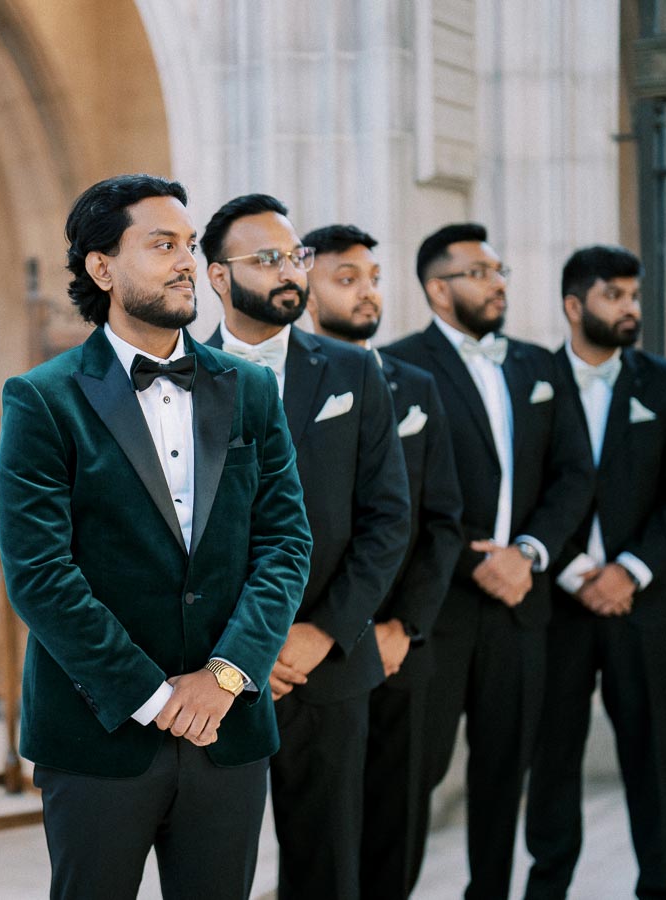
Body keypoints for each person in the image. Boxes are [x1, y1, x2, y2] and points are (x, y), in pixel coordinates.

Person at [0, 174, 312, 899]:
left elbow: (285, 543)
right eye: (162, 244)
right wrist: (153, 695)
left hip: (228, 728)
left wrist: (227, 674)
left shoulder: (249, 389)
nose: (184, 263)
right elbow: (40, 575)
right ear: (102, 267)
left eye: (190, 245)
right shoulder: (43, 399)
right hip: (98, 731)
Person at [200, 196, 412, 899]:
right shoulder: (178, 375)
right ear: (219, 278)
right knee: (212, 868)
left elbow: (388, 519)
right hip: (216, 668)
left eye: (294, 257)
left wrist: (323, 630)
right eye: (265, 259)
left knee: (326, 869)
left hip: (328, 664)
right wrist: (247, 646)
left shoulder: (353, 375)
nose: (288, 271)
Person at [382, 222, 593, 900]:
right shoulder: (394, 365)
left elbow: (574, 475)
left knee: (504, 776)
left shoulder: (539, 366)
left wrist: (527, 554)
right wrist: (479, 558)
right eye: (480, 272)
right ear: (439, 289)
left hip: (520, 604)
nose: (499, 281)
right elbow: (397, 493)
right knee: (412, 779)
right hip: (434, 607)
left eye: (500, 270)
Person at [524, 246, 666, 900]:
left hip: (646, 601)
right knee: (552, 757)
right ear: (575, 305)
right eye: (614, 296)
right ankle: (548, 886)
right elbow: (520, 488)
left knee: (653, 754)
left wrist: (627, 572)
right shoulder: (531, 380)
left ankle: (661, 885)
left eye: (634, 295)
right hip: (554, 600)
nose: (630, 308)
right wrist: (576, 571)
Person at [302, 223, 464, 899]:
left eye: (372, 277)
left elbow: (442, 520)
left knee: (399, 818)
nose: (367, 292)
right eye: (347, 279)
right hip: (318, 645)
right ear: (303, 286)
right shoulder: (286, 384)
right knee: (321, 829)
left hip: (401, 641)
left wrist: (405, 627)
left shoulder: (415, 385)